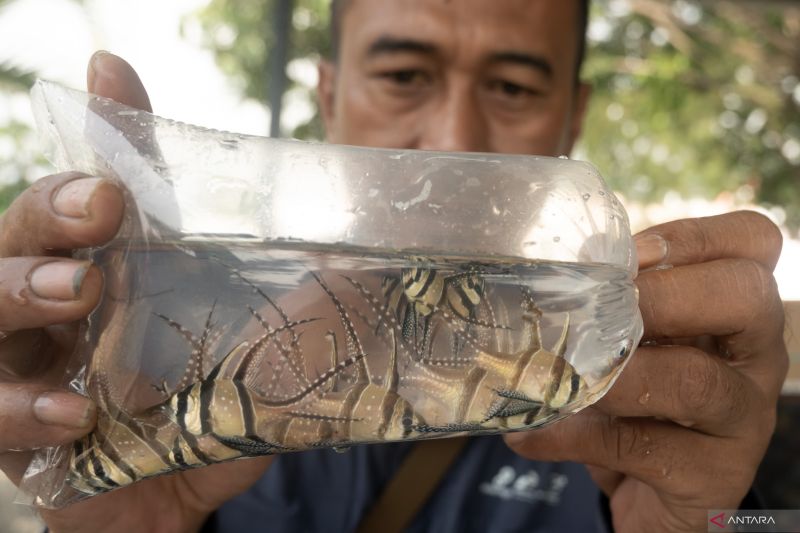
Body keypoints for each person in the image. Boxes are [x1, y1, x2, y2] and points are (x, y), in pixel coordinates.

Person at [0, 1, 787, 531]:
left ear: (571, 116)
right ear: (331, 94)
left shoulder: (631, 388)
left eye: (512, 86)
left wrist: (727, 516)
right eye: (405, 74)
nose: (452, 136)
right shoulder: (171, 376)